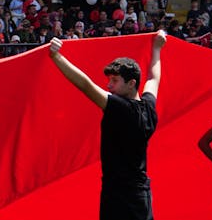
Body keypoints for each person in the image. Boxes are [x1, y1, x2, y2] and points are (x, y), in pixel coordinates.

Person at [48, 31, 166, 220]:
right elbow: (154, 78)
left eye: (114, 81)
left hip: (119, 197)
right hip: (142, 195)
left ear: (131, 84)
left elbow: (86, 86)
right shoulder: (148, 106)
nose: (109, 85)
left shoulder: (122, 108)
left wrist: (56, 56)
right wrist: (157, 48)